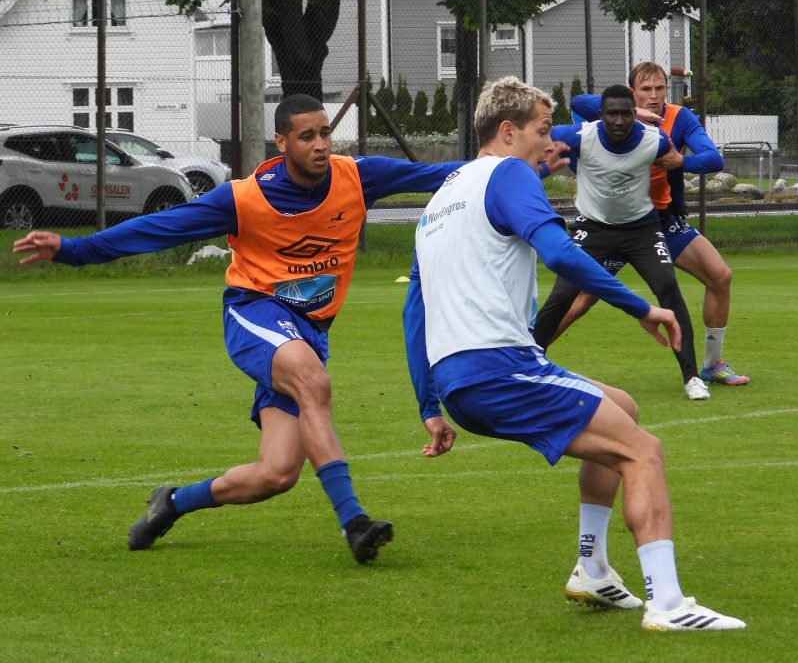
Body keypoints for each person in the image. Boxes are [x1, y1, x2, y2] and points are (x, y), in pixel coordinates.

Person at [12, 93, 462, 565]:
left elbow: (455, 177)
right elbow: (158, 228)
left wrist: (530, 161)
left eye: (325, 133)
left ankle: (171, 503)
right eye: (306, 136)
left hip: (308, 332)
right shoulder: (245, 197)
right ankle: (355, 522)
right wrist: (75, 249)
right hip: (256, 313)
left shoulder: (358, 176)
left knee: (277, 473)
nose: (321, 145)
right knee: (314, 382)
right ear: (281, 142)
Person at [408, 75, 745, 631]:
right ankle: (668, 604)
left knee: (623, 407)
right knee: (644, 452)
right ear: (510, 131)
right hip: (501, 369)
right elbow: (560, 252)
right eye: (544, 131)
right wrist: (640, 306)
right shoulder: (510, 172)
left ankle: (591, 567)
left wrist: (429, 404)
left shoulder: (443, 196)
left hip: (463, 378)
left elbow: (414, 312)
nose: (552, 144)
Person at [570, 62, 749, 386]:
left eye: (659, 89)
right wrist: (629, 111)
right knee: (581, 298)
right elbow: (578, 103)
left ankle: (712, 363)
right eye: (646, 90)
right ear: (631, 94)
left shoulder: (679, 117)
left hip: (659, 222)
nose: (654, 97)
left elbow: (713, 158)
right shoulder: (617, 115)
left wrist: (682, 161)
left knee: (720, 276)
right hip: (609, 224)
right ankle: (527, 359)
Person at [532, 85, 710, 400]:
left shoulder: (653, 140)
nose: (618, 120)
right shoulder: (580, 136)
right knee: (563, 295)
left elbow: (675, 167)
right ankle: (526, 367)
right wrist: (534, 166)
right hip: (593, 230)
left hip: (641, 230)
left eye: (625, 113)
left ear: (634, 115)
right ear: (601, 116)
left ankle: (692, 377)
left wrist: (676, 203)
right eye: (611, 114)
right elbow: (540, 136)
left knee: (667, 287)